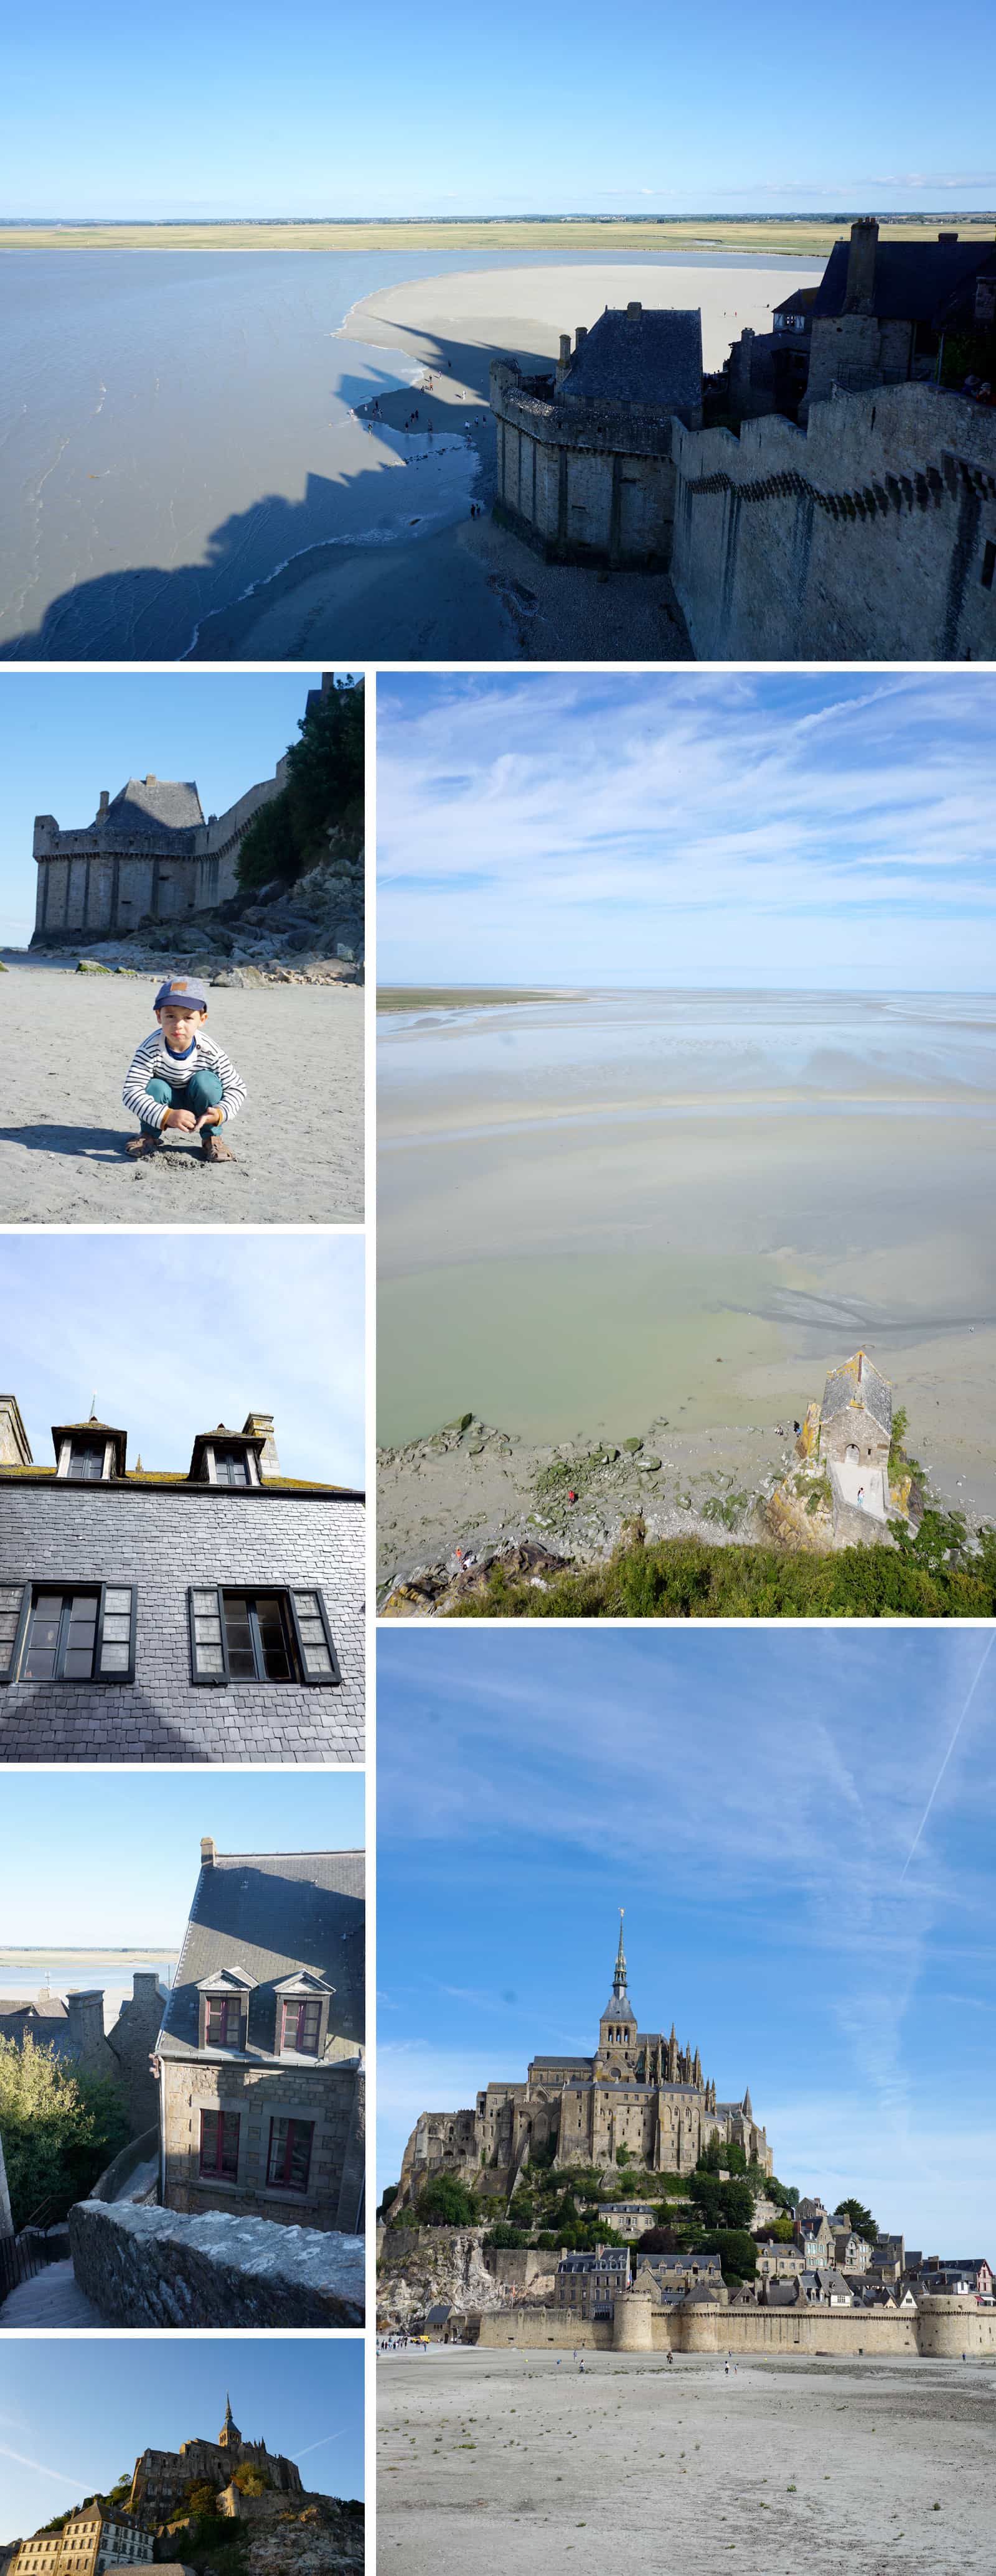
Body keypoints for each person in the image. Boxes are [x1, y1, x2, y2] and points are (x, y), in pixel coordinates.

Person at [121, 976, 247, 1161]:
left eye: (188, 1018)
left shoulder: (210, 1051)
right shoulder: (150, 1049)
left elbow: (237, 1088)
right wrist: (167, 1115)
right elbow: (131, 1092)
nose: (178, 1025)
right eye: (170, 1016)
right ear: (159, 1016)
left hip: (200, 1106)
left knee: (206, 1082)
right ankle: (148, 1135)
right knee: (155, 1086)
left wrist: (220, 1112)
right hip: (165, 1105)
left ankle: (212, 1137)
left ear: (202, 1019)